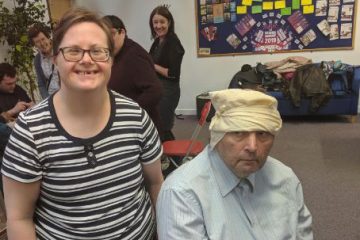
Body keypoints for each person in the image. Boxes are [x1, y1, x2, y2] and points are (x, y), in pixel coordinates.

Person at [2, 8, 163, 240]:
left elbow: (156, 184)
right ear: (55, 58)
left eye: (98, 51)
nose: (87, 59)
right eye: (74, 51)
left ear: (110, 60)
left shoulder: (136, 116)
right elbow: (19, 218)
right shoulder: (30, 132)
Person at [156, 89, 314, 239]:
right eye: (238, 133)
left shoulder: (286, 179)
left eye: (262, 134)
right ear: (217, 137)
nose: (253, 146)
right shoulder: (182, 194)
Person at [103, 15, 163, 135]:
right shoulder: (116, 54)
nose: (107, 40)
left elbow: (155, 90)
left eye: (111, 34)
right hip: (125, 125)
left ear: (122, 32)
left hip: (139, 128)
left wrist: (128, 113)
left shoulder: (134, 56)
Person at [149, 5, 185, 142]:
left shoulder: (173, 43)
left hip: (168, 92)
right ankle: (172, 159)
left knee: (162, 127)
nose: (158, 26)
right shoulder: (158, 41)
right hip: (159, 89)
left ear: (169, 22)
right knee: (160, 127)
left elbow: (173, 74)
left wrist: (152, 65)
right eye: (155, 22)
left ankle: (173, 160)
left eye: (162, 22)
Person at [28, 24, 60, 99]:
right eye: (37, 42)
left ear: (48, 37)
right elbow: (41, 84)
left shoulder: (61, 51)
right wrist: (47, 100)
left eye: (43, 39)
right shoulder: (37, 60)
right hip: (52, 98)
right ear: (35, 45)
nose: (42, 44)